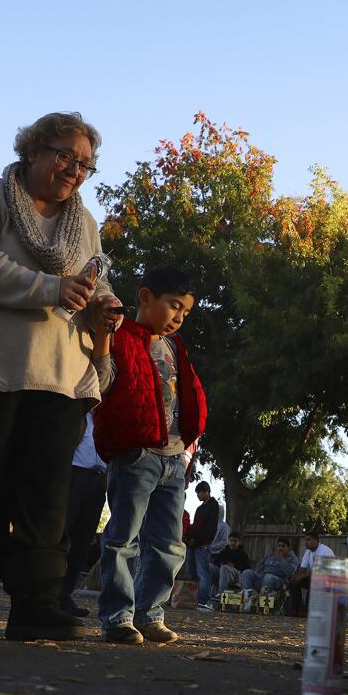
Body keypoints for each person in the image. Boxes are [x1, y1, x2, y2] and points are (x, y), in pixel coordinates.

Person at [0, 112, 122, 641]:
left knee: (46, 496)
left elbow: (94, 282)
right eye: (63, 155)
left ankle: (36, 605)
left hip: (59, 375)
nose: (73, 169)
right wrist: (51, 290)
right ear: (33, 149)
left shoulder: (86, 224)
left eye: (84, 163)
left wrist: (105, 307)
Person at [93, 266, 207, 645]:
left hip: (174, 459)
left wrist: (188, 449)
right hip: (136, 454)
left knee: (169, 543)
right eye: (174, 306)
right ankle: (117, 617)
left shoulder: (176, 348)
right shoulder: (120, 335)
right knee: (123, 537)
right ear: (145, 297)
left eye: (185, 312)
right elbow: (103, 383)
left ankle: (149, 613)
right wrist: (102, 340)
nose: (178, 317)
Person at [58, 413, 108, 618]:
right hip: (74, 474)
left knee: (82, 542)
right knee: (62, 534)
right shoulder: (78, 413)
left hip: (98, 479)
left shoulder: (108, 418)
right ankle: (47, 593)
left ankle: (64, 595)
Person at [187, 481, 220, 608]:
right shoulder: (200, 508)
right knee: (192, 573)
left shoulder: (213, 506)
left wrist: (198, 539)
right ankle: (192, 598)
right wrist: (190, 538)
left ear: (206, 491)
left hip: (204, 544)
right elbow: (195, 526)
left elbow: (210, 528)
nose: (198, 495)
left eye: (199, 492)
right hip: (193, 544)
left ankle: (202, 599)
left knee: (202, 572)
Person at [287, 532, 336, 614]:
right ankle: (295, 609)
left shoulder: (324, 551)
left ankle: (307, 610)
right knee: (294, 583)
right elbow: (302, 568)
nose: (306, 543)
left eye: (308, 540)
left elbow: (318, 571)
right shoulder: (308, 551)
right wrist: (295, 577)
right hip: (316, 577)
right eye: (305, 540)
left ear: (316, 541)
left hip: (329, 580)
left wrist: (300, 577)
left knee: (313, 582)